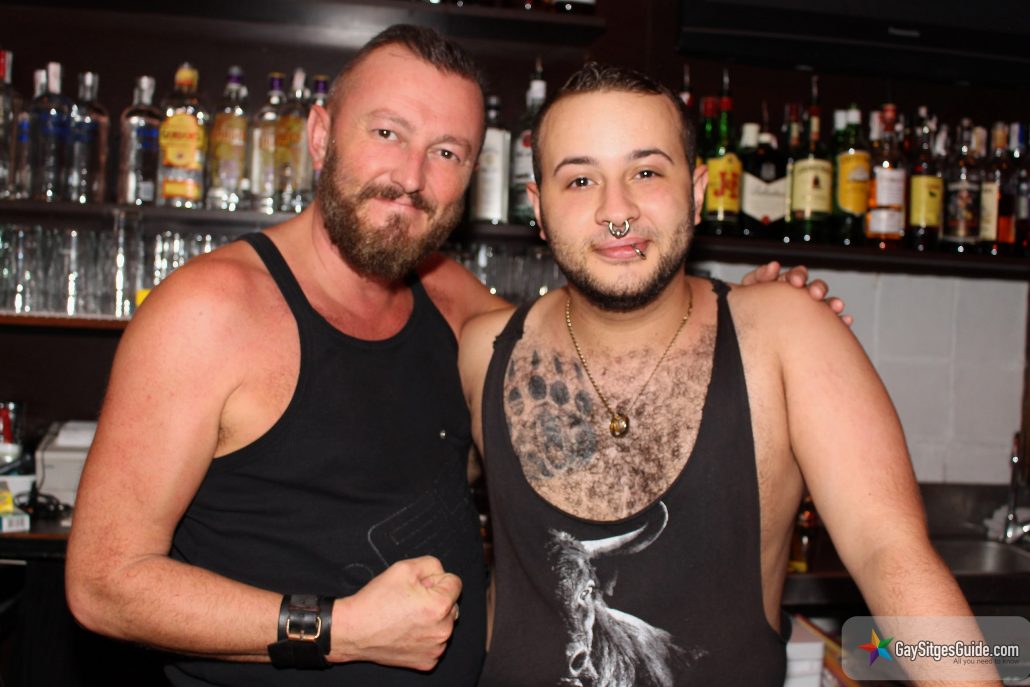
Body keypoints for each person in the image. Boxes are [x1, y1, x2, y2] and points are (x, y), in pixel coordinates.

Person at [64, 26, 844, 687]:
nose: (411, 177)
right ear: (320, 134)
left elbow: (599, 334)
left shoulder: (448, 300)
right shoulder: (210, 311)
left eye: (446, 151)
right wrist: (339, 628)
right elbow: (103, 583)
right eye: (387, 133)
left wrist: (748, 315)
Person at [458, 63, 998, 686]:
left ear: (697, 192)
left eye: (646, 172)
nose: (616, 211)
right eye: (580, 179)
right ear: (539, 207)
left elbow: (890, 555)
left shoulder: (785, 333)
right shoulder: (481, 352)